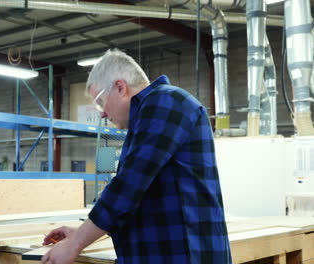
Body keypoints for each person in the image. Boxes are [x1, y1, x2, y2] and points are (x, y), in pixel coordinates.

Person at [41, 49, 232, 264]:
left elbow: (128, 185)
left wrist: (76, 244)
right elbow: (138, 201)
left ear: (120, 87)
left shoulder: (165, 102)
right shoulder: (146, 119)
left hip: (184, 255)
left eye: (101, 102)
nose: (102, 113)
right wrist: (80, 233)